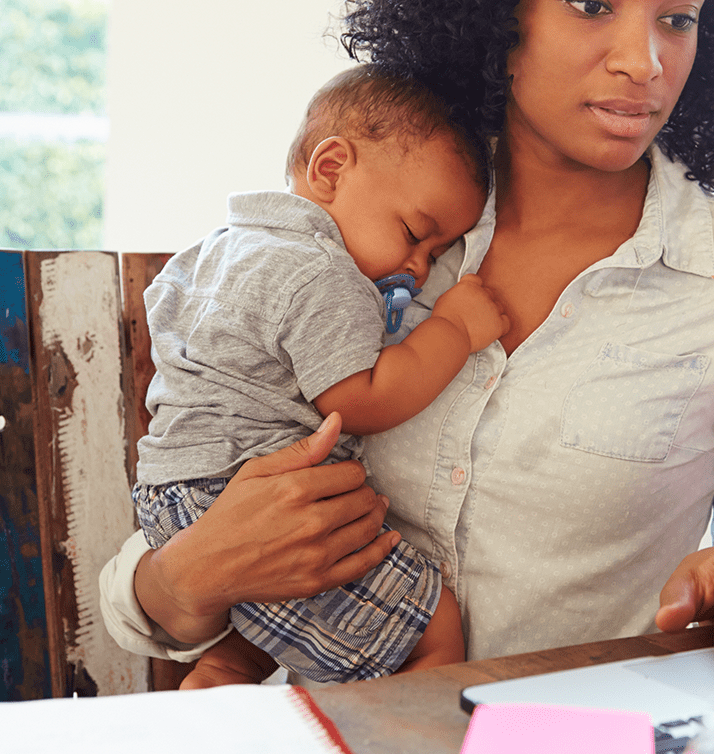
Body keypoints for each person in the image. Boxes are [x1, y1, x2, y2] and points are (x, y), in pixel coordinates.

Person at [99, 0, 714, 681]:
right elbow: (160, 570)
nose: (645, 61)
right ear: (495, 7)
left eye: (679, 18)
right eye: (592, 4)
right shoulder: (374, 227)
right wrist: (185, 579)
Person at [128, 65, 509, 686]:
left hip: (175, 495)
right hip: (245, 496)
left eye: (437, 255)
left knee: (258, 640)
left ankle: (221, 672)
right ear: (331, 169)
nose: (417, 267)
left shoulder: (216, 249)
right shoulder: (321, 273)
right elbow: (361, 399)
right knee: (432, 628)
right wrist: (456, 331)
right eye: (416, 234)